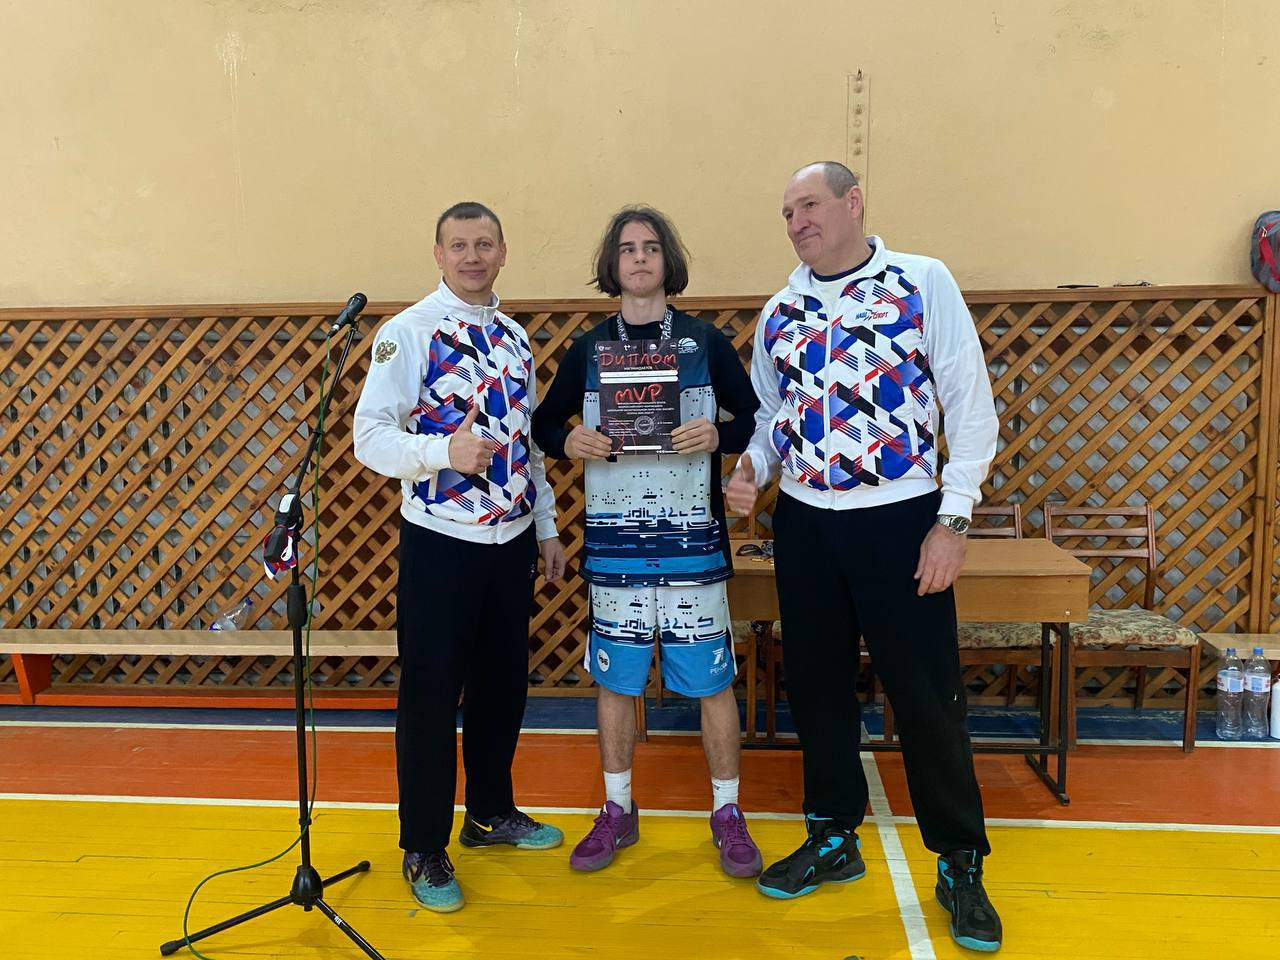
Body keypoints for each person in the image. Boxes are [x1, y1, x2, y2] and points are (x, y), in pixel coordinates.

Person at [725, 162, 1003, 952]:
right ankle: (832, 836)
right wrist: (752, 469)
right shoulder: (780, 311)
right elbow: (773, 418)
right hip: (806, 526)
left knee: (926, 697)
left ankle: (960, 862)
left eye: (809, 205)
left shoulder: (920, 281)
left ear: (853, 203)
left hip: (900, 521)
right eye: (787, 213)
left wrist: (952, 519)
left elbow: (969, 404)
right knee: (817, 691)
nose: (797, 222)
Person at [532, 206, 763, 878]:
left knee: (714, 684)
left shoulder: (704, 342)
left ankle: (727, 811)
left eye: (651, 247)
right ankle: (617, 807)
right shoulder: (588, 349)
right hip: (615, 550)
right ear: (613, 264)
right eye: (628, 248)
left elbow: (755, 419)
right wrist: (570, 439)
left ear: (668, 261)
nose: (639, 258)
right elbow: (544, 426)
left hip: (693, 547)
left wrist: (720, 433)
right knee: (616, 681)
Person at [353, 201, 567, 914]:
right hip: (442, 542)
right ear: (438, 254)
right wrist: (442, 450)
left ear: (503, 252)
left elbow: (527, 446)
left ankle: (490, 813)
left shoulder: (514, 338)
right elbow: (369, 437)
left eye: (484, 244)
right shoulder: (407, 332)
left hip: (511, 545)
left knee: (503, 688)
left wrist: (546, 526)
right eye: (458, 245)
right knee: (430, 697)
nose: (472, 256)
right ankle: (422, 844)